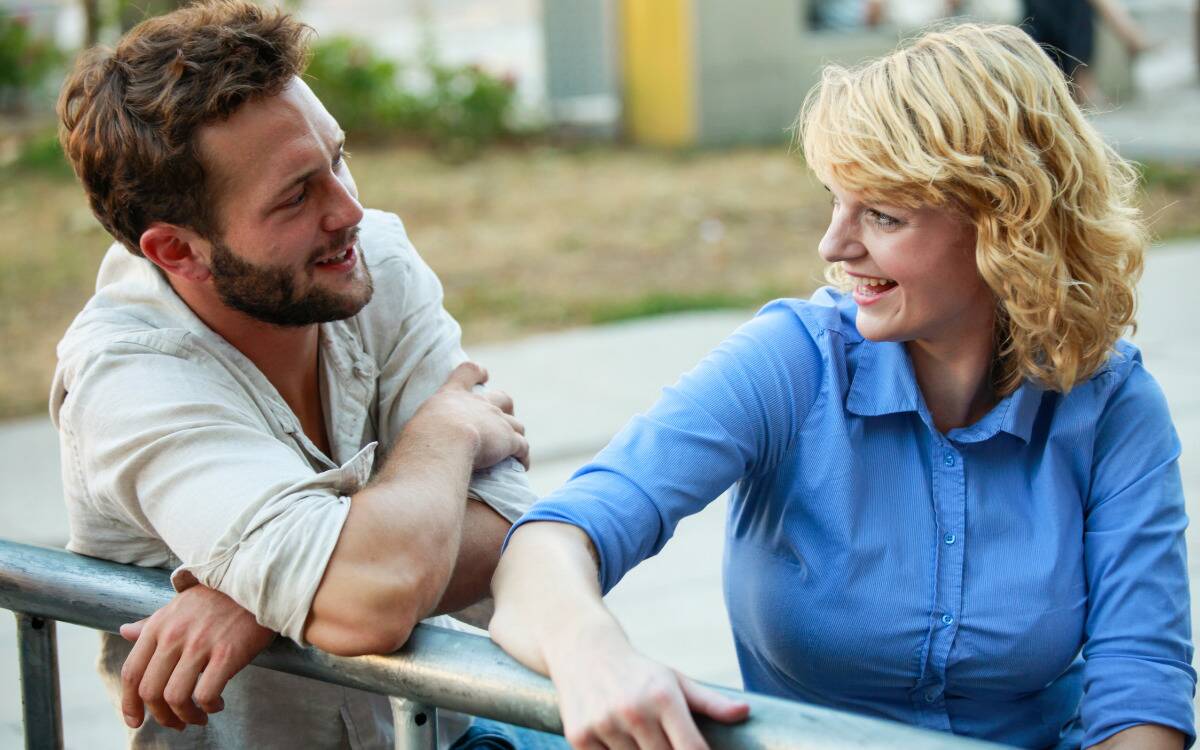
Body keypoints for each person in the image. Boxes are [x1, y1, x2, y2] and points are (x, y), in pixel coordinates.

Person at [488, 22, 1194, 750]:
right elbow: (551, 542)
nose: (834, 245)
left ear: (1007, 227)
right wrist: (591, 654)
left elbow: (1142, 684)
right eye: (835, 201)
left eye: (882, 215)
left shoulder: (1110, 404)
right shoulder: (793, 362)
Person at [51, 1, 545, 747]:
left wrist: (263, 600)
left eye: (338, 158)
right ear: (178, 252)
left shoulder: (368, 254)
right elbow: (366, 602)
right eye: (295, 194)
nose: (349, 209)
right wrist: (443, 435)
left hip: (448, 733)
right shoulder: (129, 379)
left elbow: (514, 523)